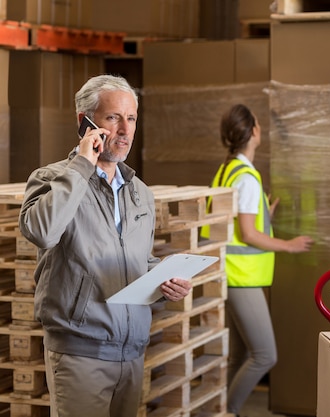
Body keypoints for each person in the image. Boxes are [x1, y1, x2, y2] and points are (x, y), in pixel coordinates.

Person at [18, 74, 192, 417]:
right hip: (80, 353)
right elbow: (41, 230)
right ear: (85, 123)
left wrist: (165, 278)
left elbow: (138, 259)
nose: (125, 130)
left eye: (131, 119)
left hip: (131, 352)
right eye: (114, 118)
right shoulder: (51, 179)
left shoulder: (139, 191)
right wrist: (82, 164)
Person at [201, 104, 314, 416]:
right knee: (265, 355)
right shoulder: (247, 178)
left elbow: (240, 223)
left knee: (239, 356)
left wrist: (266, 214)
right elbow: (248, 234)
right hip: (242, 278)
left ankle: (217, 410)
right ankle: (227, 412)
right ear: (252, 132)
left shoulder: (227, 171)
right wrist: (288, 245)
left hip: (229, 274)